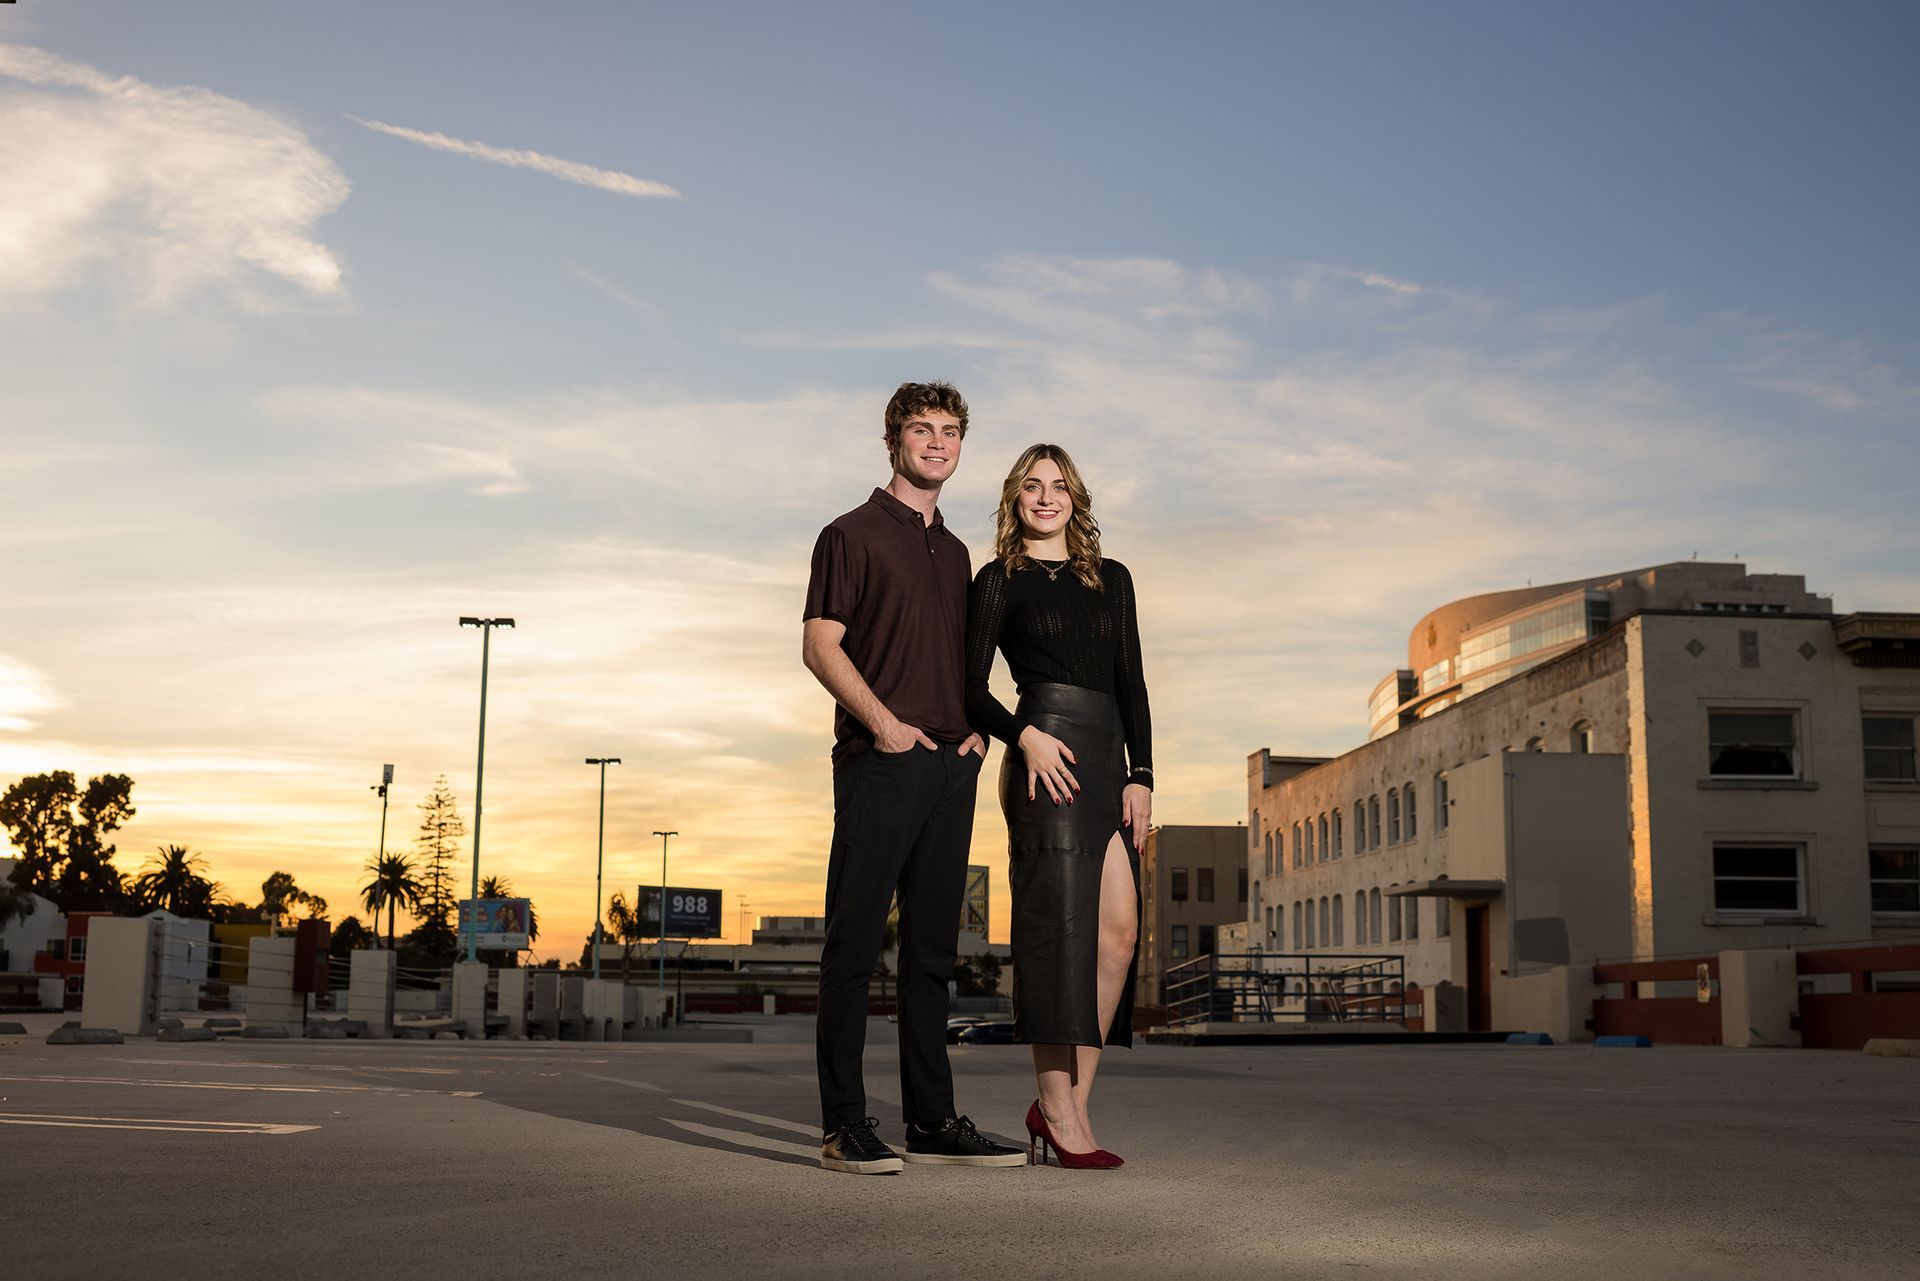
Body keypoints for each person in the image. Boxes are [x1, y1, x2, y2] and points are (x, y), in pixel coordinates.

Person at [801, 381, 1026, 1175]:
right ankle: (844, 1124)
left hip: (949, 765)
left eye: (952, 430)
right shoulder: (850, 534)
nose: (938, 442)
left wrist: (970, 737)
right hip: (881, 762)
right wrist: (888, 726)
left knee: (932, 952)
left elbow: (962, 664)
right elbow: (822, 646)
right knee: (854, 946)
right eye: (923, 429)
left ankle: (930, 1120)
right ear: (893, 439)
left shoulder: (960, 552)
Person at [965, 443, 1151, 1170]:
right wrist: (1024, 736)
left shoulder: (1114, 580)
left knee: (1119, 935)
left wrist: (1144, 774)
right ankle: (1063, 1109)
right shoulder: (998, 582)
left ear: (1077, 497)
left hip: (1108, 760)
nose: (1047, 497)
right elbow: (969, 688)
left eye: (1059, 485)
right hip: (1045, 758)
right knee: (1055, 939)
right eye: (1032, 486)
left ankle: (1066, 1103)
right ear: (1015, 499)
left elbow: (1132, 680)